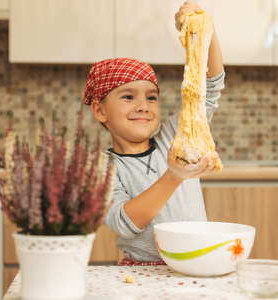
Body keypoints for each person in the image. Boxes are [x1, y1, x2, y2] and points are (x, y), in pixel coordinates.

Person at [83, 1, 224, 265]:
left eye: (151, 98)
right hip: (142, 270)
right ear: (100, 111)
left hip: (197, 261)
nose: (142, 106)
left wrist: (206, 28)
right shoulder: (102, 168)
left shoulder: (175, 136)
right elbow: (124, 222)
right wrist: (175, 175)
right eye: (128, 96)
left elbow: (211, 86)